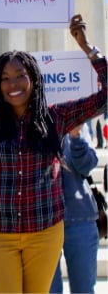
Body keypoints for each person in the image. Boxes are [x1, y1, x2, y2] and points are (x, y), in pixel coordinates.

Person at [0, 14, 107, 293]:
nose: (13, 84)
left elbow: (105, 96)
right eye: (5, 78)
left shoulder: (57, 118)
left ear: (34, 79)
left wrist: (87, 46)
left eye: (20, 76)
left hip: (44, 230)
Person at [50, 123, 99, 294]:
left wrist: (75, 137)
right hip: (43, 223)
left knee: (84, 289)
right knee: (48, 290)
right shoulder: (28, 121)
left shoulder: (78, 122)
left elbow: (87, 165)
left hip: (80, 220)